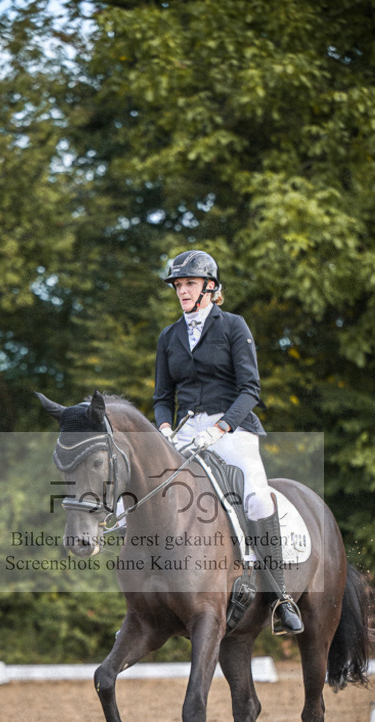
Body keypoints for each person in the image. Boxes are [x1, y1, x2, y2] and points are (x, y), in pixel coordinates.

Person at [153, 249, 303, 634]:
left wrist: (220, 428)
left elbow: (250, 389)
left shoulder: (233, 326)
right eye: (178, 285)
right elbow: (162, 397)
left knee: (256, 496)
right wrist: (165, 429)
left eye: (189, 283)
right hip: (184, 430)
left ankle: (281, 596)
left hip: (232, 427)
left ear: (209, 287)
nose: (182, 291)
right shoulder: (169, 337)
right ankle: (145, 600)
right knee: (149, 487)